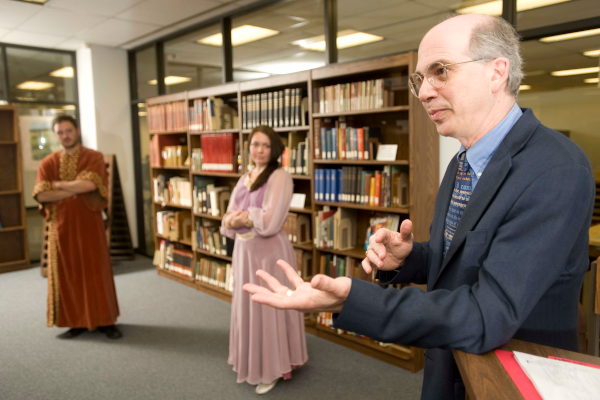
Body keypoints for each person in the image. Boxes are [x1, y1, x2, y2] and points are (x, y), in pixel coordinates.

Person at [243, 14, 595, 400]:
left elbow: (487, 312)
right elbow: (468, 258)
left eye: (440, 71)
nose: (424, 92)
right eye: (419, 79)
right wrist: (410, 259)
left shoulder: (555, 170)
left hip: (509, 380)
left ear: (496, 73)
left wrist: (352, 298)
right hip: (451, 363)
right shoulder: (464, 160)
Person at [220, 125, 308, 395]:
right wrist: (241, 217)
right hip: (244, 253)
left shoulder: (280, 176)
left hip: (269, 254)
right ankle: (252, 361)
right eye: (255, 144)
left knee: (269, 308)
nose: (259, 150)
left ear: (275, 150)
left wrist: (243, 217)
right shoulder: (245, 176)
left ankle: (272, 367)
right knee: (249, 307)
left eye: (265, 145)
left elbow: (268, 223)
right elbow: (226, 221)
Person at [33, 115, 121, 340]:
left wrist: (60, 185)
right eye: (60, 132)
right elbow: (41, 193)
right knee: (68, 274)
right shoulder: (48, 163)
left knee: (96, 273)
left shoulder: (94, 157)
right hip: (60, 228)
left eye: (69, 130)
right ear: (55, 135)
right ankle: (75, 322)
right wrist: (76, 188)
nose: (65, 135)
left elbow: (91, 184)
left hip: (89, 224)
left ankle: (106, 321)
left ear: (77, 131)